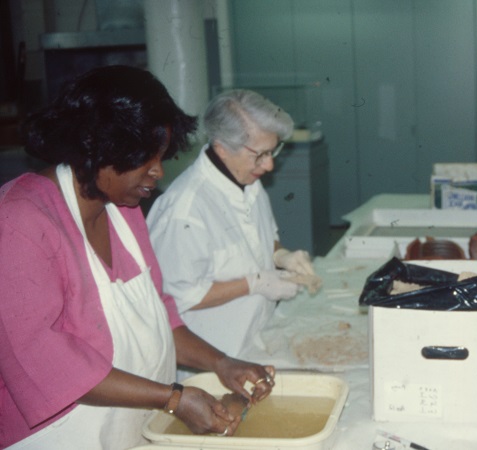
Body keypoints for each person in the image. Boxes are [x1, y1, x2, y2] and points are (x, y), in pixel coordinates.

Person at [0, 66, 279, 449]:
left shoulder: (123, 210)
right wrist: (173, 398)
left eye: (161, 157)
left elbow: (160, 316)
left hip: (130, 424)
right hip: (59, 436)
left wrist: (220, 362)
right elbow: (45, 363)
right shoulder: (20, 220)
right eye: (144, 159)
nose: (158, 173)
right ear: (95, 147)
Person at [147, 89, 320, 372]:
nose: (269, 164)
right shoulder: (186, 210)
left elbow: (263, 239)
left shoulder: (248, 181)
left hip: (252, 343)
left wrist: (282, 256)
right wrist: (255, 283)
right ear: (222, 147)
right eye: (261, 154)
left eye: (273, 150)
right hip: (210, 364)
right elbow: (180, 297)